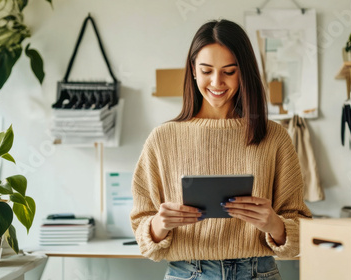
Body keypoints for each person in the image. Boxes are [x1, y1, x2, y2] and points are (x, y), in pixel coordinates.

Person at [130, 19, 312, 280]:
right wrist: (160, 223)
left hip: (257, 272)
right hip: (187, 273)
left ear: (244, 72)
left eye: (229, 71)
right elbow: (142, 231)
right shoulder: (162, 139)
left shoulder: (275, 137)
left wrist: (274, 224)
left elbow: (301, 232)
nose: (217, 82)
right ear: (193, 70)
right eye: (206, 70)